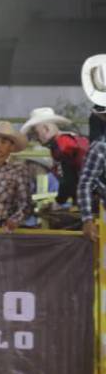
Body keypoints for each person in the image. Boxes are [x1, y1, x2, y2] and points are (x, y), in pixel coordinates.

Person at [21, 107, 89, 207]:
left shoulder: (61, 146)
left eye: (36, 133)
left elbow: (69, 181)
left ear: (46, 129)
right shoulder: (68, 139)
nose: (35, 139)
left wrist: (59, 201)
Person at [79, 55, 106, 240]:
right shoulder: (100, 147)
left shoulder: (99, 146)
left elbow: (86, 183)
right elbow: (86, 183)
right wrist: (87, 218)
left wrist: (87, 218)